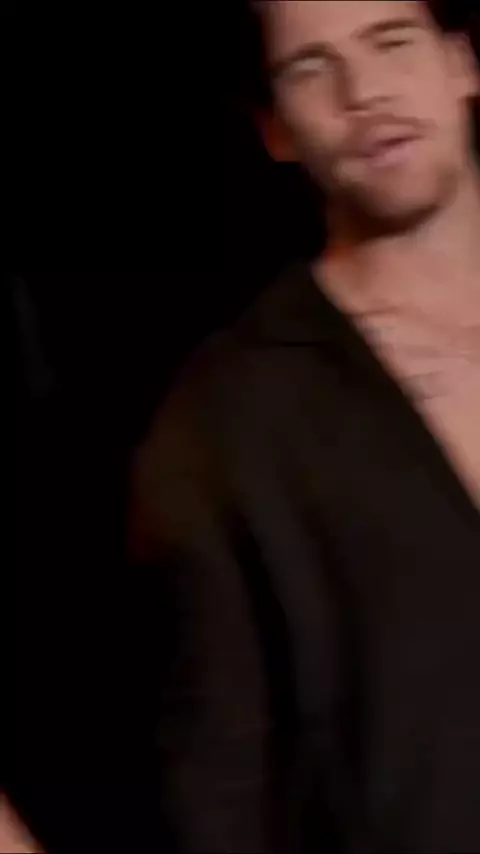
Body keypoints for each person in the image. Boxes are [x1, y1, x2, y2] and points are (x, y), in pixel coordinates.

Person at [130, 2, 480, 852]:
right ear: (275, 130)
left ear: (461, 63)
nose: (365, 92)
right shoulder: (226, 422)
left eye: (391, 42)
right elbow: (217, 786)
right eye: (311, 68)